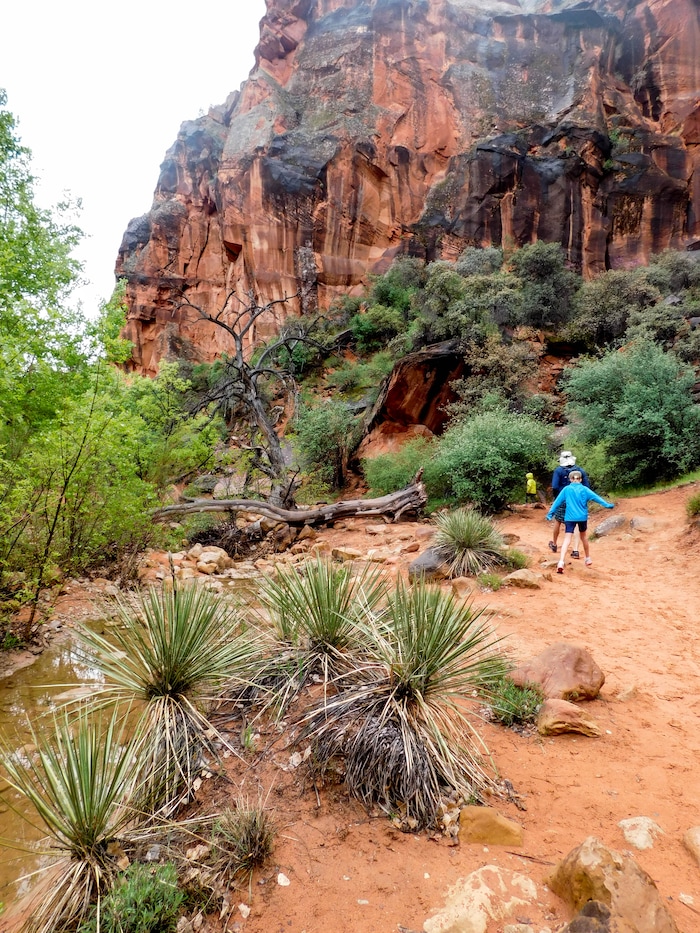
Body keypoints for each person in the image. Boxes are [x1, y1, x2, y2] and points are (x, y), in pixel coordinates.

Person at [546, 470, 614, 572]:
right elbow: (596, 498)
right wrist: (607, 505)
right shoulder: (585, 489)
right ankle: (587, 558)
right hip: (582, 517)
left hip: (570, 517)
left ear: (570, 479)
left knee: (567, 538)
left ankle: (561, 561)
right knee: (584, 537)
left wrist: (550, 513)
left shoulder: (566, 489)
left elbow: (557, 502)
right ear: (581, 479)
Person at [548, 451, 589, 557]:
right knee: (575, 524)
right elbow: (586, 487)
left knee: (558, 520)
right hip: (577, 501)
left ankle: (555, 544)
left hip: (563, 499)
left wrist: (557, 498)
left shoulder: (559, 471)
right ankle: (575, 550)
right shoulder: (580, 471)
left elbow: (555, 486)